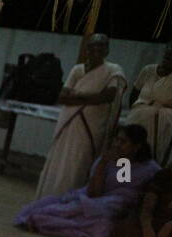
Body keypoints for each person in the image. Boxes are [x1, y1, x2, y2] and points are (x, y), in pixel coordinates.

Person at [14, 123, 160, 237]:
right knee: (70, 207)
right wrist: (103, 163)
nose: (117, 145)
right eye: (117, 140)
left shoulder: (149, 168)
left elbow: (150, 190)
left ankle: (41, 222)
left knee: (100, 226)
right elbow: (94, 193)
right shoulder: (109, 161)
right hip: (95, 200)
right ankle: (37, 218)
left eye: (123, 142)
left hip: (116, 206)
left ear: (137, 146)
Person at [35, 34, 127, 200]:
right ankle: (47, 201)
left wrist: (77, 97)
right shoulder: (78, 69)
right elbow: (62, 98)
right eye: (93, 46)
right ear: (87, 50)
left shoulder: (113, 70)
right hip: (68, 123)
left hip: (91, 126)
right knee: (58, 162)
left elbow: (107, 96)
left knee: (77, 165)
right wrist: (91, 97)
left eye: (101, 46)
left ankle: (66, 204)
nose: (97, 50)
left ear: (107, 50)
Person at [125, 41, 172, 166]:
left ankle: (141, 182)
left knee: (148, 157)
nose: (169, 57)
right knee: (126, 152)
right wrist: (138, 111)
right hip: (137, 119)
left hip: (161, 125)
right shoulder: (148, 70)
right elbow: (134, 94)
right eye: (168, 54)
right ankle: (121, 180)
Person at [117, 165, 172, 237]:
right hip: (157, 220)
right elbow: (147, 208)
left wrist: (171, 224)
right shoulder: (165, 175)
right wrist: (147, 228)